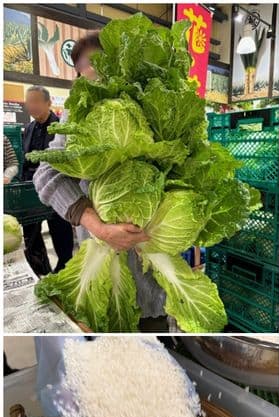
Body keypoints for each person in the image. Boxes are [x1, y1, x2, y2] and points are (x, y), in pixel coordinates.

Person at [32, 32, 172, 332]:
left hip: (155, 273)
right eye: (83, 71)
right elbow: (46, 174)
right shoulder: (80, 110)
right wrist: (99, 227)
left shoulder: (157, 104)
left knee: (155, 337)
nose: (91, 76)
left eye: (97, 64)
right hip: (101, 266)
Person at [21, 86, 75, 275]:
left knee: (60, 231)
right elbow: (25, 159)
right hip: (31, 190)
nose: (32, 106)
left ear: (48, 103)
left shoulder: (61, 126)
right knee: (32, 234)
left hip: (57, 188)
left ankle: (65, 265)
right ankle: (41, 268)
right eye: (29, 102)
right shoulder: (29, 128)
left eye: (36, 101)